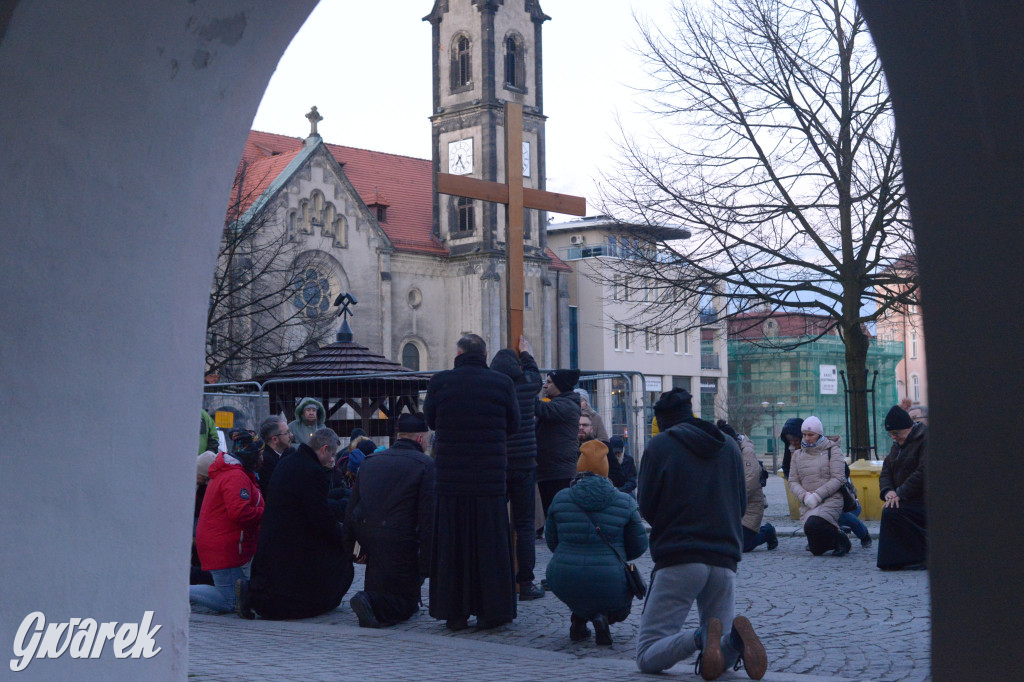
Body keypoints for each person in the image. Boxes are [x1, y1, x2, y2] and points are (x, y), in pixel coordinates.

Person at [635, 388, 766, 679]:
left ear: (662, 421)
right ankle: (735, 641)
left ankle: (698, 638)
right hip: (724, 559)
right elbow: (741, 503)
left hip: (679, 556)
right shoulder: (730, 446)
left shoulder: (659, 446)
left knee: (647, 654)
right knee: (720, 655)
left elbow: (646, 506)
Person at [423, 333, 520, 631]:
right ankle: (492, 611)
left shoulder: (441, 382)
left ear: (459, 352)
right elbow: (513, 424)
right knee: (490, 548)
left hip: (452, 479)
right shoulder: (502, 383)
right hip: (489, 479)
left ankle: (455, 612)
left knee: (453, 549)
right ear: (484, 354)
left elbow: (431, 419)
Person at [239, 428, 353, 620]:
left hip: (273, 540)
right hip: (293, 545)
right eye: (332, 454)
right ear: (324, 449)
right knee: (336, 563)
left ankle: (253, 594)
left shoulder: (289, 461)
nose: (331, 460)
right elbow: (320, 517)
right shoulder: (313, 471)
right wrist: (342, 538)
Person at [545, 439, 648, 646]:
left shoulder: (560, 498)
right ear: (606, 469)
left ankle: (580, 618)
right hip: (610, 578)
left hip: (563, 577)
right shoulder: (625, 501)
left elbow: (551, 541)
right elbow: (639, 545)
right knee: (618, 603)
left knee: (580, 589)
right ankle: (603, 617)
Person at [345, 413, 435, 628]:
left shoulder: (370, 461)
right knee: (404, 601)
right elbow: (428, 516)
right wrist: (427, 563)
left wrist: (349, 544)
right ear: (420, 439)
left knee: (379, 580)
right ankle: (372, 601)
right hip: (402, 539)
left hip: (369, 536)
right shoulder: (425, 464)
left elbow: (352, 507)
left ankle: (371, 598)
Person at [489, 335, 545, 600]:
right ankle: (526, 582)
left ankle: (498, 579)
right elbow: (536, 375)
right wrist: (526, 352)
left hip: (497, 463)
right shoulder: (526, 384)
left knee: (497, 523)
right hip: (525, 464)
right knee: (524, 526)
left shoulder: (491, 389)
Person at [190, 429, 264, 613]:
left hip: (223, 542)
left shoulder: (234, 473)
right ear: (251, 455)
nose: (262, 458)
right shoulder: (235, 476)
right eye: (260, 454)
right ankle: (176, 592)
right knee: (230, 601)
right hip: (225, 546)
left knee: (235, 594)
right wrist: (266, 513)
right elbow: (240, 513)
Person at [787, 417, 852, 557]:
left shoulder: (833, 450)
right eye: (804, 434)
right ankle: (838, 535)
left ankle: (841, 539)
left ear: (819, 435)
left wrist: (817, 495)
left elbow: (838, 478)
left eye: (811, 435)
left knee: (814, 524)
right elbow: (792, 481)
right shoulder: (797, 455)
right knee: (817, 550)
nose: (807, 438)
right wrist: (805, 496)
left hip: (831, 498)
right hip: (808, 501)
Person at [877, 405, 927, 570]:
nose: (893, 437)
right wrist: (889, 492)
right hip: (905, 496)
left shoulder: (925, 440)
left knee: (894, 512)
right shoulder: (897, 446)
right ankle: (895, 560)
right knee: (891, 510)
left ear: (908, 428)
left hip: (924, 498)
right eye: (891, 434)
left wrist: (900, 493)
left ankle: (917, 557)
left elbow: (923, 472)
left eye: (896, 433)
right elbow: (886, 473)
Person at [717, 421, 777, 553]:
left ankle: (767, 531)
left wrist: (729, 500)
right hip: (732, 507)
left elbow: (750, 483)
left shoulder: (747, 452)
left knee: (743, 545)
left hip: (750, 506)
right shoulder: (725, 450)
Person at [535, 369, 582, 520]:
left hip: (558, 473)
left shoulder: (566, 405)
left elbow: (539, 408)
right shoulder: (562, 403)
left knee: (559, 518)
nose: (545, 386)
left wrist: (525, 388)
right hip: (551, 470)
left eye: (549, 382)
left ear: (560, 385)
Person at [257, 415, 295, 492]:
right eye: (286, 433)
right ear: (275, 439)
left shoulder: (291, 453)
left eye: (289, 431)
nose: (291, 435)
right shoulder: (265, 462)